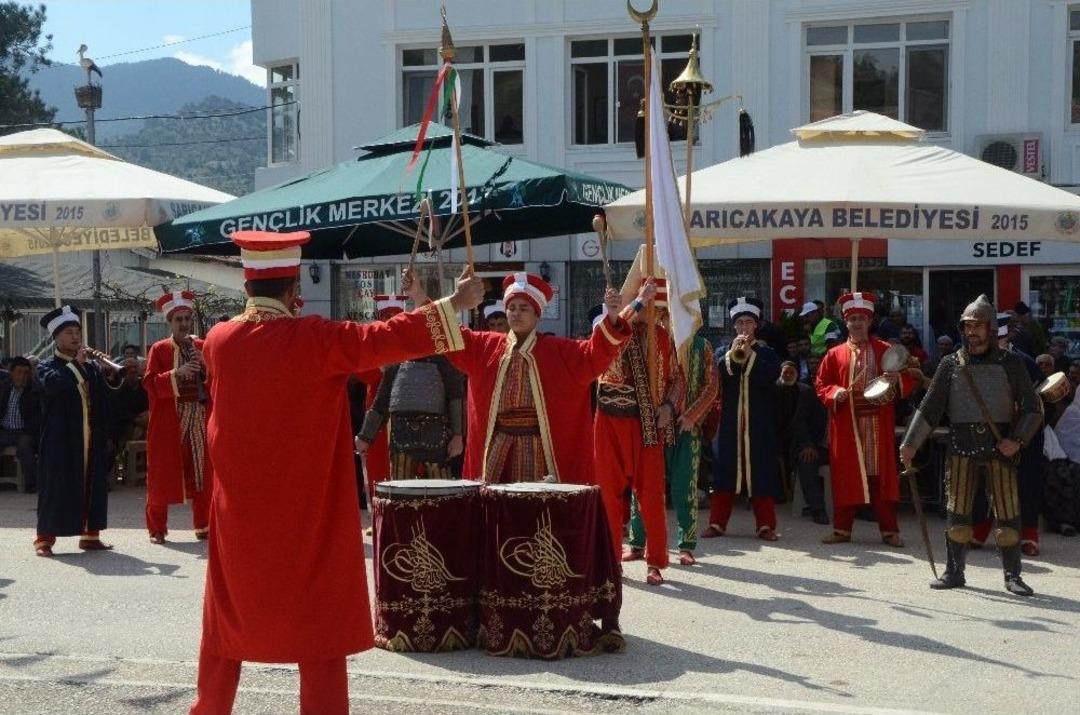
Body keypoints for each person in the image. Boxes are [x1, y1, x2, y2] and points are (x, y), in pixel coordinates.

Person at [188, 229, 484, 715]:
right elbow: (386, 339)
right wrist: (452, 303)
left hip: (240, 513)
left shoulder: (219, 341)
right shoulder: (317, 338)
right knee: (318, 627)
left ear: (246, 287)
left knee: (226, 620)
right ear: (292, 290)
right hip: (309, 510)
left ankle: (209, 708)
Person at [443, 272, 646, 485]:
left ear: (537, 315)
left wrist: (612, 317)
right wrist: (420, 296)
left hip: (539, 448)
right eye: (511, 308)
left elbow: (592, 354)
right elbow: (450, 336)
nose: (516, 314)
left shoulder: (557, 350)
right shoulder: (485, 346)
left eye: (524, 309)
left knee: (536, 508)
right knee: (492, 506)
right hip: (496, 447)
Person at [900, 295, 1042, 596]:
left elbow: (1033, 407)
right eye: (968, 326)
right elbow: (930, 408)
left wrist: (1016, 440)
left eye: (979, 326)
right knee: (957, 514)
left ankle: (1012, 575)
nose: (972, 332)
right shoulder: (951, 363)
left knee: (1007, 515)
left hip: (999, 445)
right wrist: (910, 443)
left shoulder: (1012, 364)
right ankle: (954, 571)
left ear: (991, 329)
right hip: (960, 445)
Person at [596, 278, 681, 585]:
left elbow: (677, 379)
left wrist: (669, 408)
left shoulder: (662, 337)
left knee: (652, 495)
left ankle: (655, 561)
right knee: (608, 494)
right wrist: (637, 302)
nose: (653, 312)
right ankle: (611, 560)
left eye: (657, 307)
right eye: (649, 305)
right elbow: (612, 331)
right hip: (610, 421)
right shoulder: (614, 324)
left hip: (647, 423)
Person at [816, 292, 913, 548]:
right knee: (846, 476)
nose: (857, 323)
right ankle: (841, 529)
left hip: (876, 424)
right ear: (846, 323)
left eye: (862, 318)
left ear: (870, 322)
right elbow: (821, 383)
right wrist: (834, 392)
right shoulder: (834, 354)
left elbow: (912, 375)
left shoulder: (886, 350)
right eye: (852, 319)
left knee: (879, 477)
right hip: (847, 425)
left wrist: (898, 380)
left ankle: (890, 531)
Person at [34, 306, 117, 557]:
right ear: (57, 337)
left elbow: (103, 400)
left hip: (91, 437)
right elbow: (54, 385)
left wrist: (111, 376)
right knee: (56, 487)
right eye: (69, 332)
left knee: (93, 483)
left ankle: (90, 535)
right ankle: (45, 539)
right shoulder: (46, 366)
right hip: (60, 440)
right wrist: (78, 367)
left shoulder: (90, 367)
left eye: (77, 331)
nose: (75, 336)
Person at [704, 297, 782, 541]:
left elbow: (771, 377)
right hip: (728, 424)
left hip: (759, 423)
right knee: (724, 471)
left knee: (761, 471)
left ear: (756, 325)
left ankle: (766, 526)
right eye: (740, 323)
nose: (744, 328)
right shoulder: (722, 351)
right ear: (733, 326)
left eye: (749, 322)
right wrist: (733, 355)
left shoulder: (767, 353)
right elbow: (716, 379)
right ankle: (717, 523)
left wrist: (751, 356)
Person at [143, 290, 214, 544]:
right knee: (163, 472)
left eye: (187, 319)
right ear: (169, 323)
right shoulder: (159, 350)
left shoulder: (202, 347)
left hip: (199, 415)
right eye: (178, 320)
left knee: (202, 471)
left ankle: (204, 524)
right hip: (170, 420)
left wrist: (205, 368)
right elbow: (150, 384)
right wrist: (177, 373)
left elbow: (217, 380)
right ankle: (157, 528)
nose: (184, 324)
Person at [655, 326, 717, 566]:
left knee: (685, 488)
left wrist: (692, 415)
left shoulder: (703, 347)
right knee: (648, 486)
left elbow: (711, 387)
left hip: (688, 427)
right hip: (655, 427)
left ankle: (686, 546)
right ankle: (639, 542)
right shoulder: (654, 341)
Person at [778, 360, 829, 524]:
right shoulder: (808, 394)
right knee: (806, 461)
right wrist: (808, 445)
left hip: (838, 446)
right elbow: (799, 422)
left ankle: (860, 508)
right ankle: (818, 510)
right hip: (812, 445)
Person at [0, 356, 42, 493]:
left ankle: (32, 484)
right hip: (5, 430)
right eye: (18, 372)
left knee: (25, 446)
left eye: (25, 373)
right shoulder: (4, 388)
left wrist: (29, 431)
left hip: (24, 432)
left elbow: (36, 419)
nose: (22, 376)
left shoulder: (34, 391)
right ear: (11, 373)